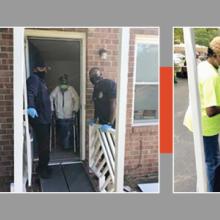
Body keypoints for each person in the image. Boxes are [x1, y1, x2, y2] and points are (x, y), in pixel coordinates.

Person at [183, 36, 220, 192]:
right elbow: (211, 111)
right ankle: (210, 193)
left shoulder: (203, 65)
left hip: (195, 119)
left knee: (205, 159)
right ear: (217, 55)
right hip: (206, 125)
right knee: (213, 162)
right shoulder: (212, 77)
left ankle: (203, 187)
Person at [27, 50, 52, 179]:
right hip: (40, 119)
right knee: (43, 146)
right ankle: (42, 169)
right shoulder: (34, 78)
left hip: (45, 119)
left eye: (45, 68)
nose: (45, 70)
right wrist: (30, 106)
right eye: (42, 68)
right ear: (36, 69)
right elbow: (30, 93)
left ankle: (44, 166)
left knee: (45, 144)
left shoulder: (42, 82)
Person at [50, 74, 79, 149]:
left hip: (70, 114)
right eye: (62, 81)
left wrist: (75, 109)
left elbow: (77, 100)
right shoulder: (57, 89)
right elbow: (50, 97)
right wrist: (52, 109)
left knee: (69, 129)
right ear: (60, 82)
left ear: (67, 82)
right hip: (60, 115)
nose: (63, 83)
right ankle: (64, 144)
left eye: (65, 81)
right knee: (62, 129)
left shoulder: (71, 89)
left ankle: (68, 144)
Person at [88, 67, 116, 132]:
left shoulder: (109, 84)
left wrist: (110, 123)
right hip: (102, 122)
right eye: (91, 76)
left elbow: (113, 104)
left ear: (101, 75)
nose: (93, 77)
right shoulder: (96, 88)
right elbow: (96, 105)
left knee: (110, 141)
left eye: (95, 75)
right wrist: (95, 119)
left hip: (112, 122)